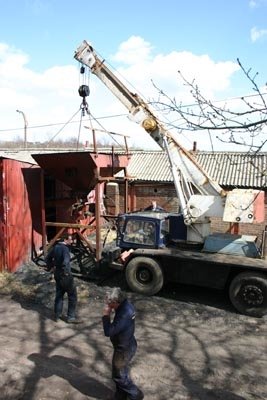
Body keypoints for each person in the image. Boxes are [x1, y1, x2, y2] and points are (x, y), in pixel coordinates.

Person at [102, 288, 144, 400]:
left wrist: (106, 315)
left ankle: (135, 394)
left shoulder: (124, 313)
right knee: (122, 372)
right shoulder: (125, 305)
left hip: (123, 350)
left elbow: (108, 331)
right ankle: (120, 395)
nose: (107, 304)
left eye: (109, 303)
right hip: (128, 344)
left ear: (116, 302)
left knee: (118, 376)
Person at [45, 233, 78, 323]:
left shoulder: (55, 247)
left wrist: (51, 267)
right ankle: (71, 317)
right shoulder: (65, 249)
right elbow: (66, 262)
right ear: (65, 240)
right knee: (72, 295)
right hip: (65, 275)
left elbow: (47, 258)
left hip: (57, 273)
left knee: (59, 294)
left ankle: (57, 315)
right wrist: (66, 272)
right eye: (70, 240)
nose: (72, 241)